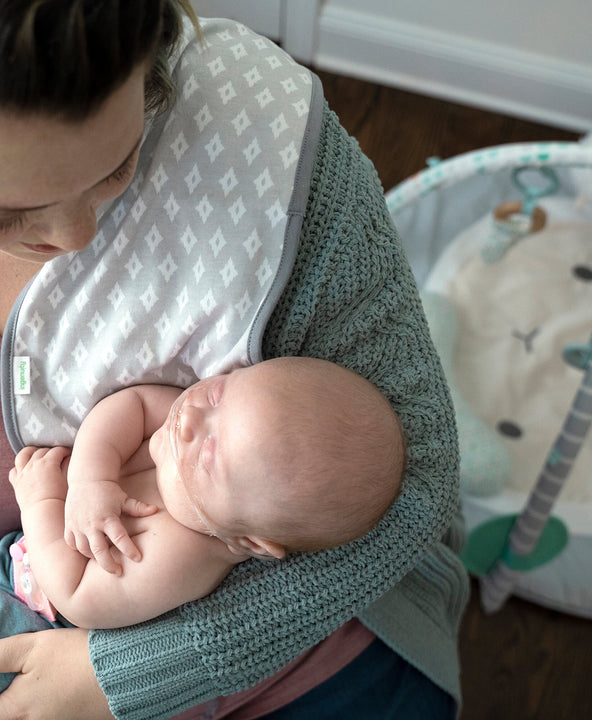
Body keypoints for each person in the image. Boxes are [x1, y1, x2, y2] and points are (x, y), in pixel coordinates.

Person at [0, 2, 468, 720]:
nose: (75, 235)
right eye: (8, 212)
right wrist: (87, 479)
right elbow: (135, 414)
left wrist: (123, 673)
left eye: (117, 166)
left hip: (282, 627)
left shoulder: (272, 156)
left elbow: (419, 471)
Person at [2, 357, 403, 652]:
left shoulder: (182, 552)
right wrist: (91, 478)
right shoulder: (195, 421)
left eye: (209, 457)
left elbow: (76, 595)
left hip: (34, 608)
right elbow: (135, 404)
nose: (190, 418)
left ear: (248, 541)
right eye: (218, 391)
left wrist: (42, 501)